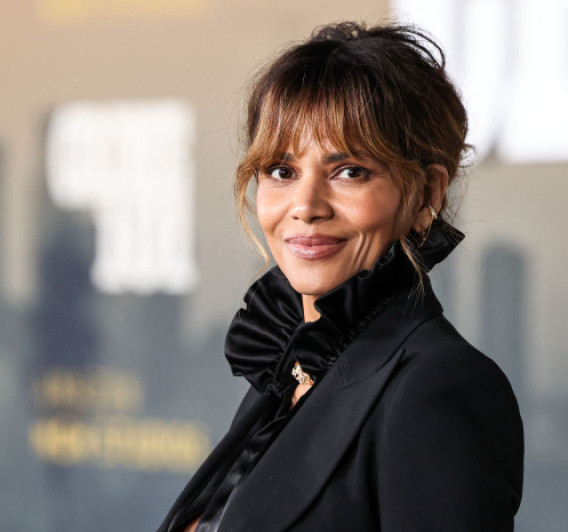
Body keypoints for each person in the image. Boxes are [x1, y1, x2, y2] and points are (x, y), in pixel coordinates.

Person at [157, 21, 523, 532]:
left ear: (426, 194)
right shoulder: (289, 375)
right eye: (282, 171)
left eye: (349, 171)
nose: (306, 206)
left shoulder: (438, 387)